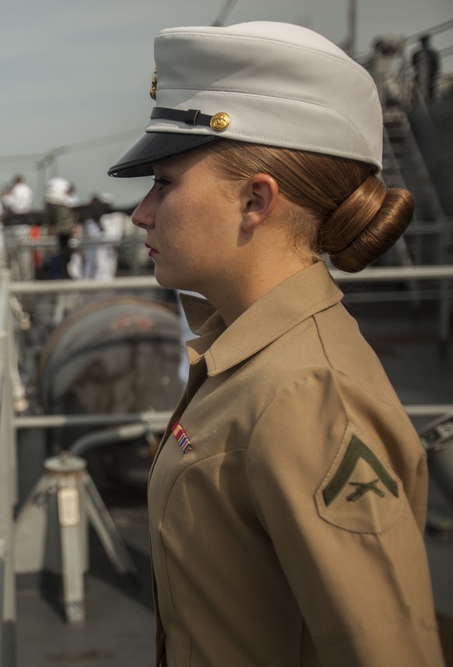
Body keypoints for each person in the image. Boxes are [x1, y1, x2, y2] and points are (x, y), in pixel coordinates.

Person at [107, 21, 443, 666]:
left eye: (165, 182)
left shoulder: (306, 395)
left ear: (255, 201)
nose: (140, 212)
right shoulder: (252, 354)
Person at [412, 33, 440, 102]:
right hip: (423, 75)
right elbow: (414, 64)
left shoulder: (431, 53)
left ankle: (429, 102)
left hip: (430, 75)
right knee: (418, 90)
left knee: (430, 90)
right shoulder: (431, 52)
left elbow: (436, 65)